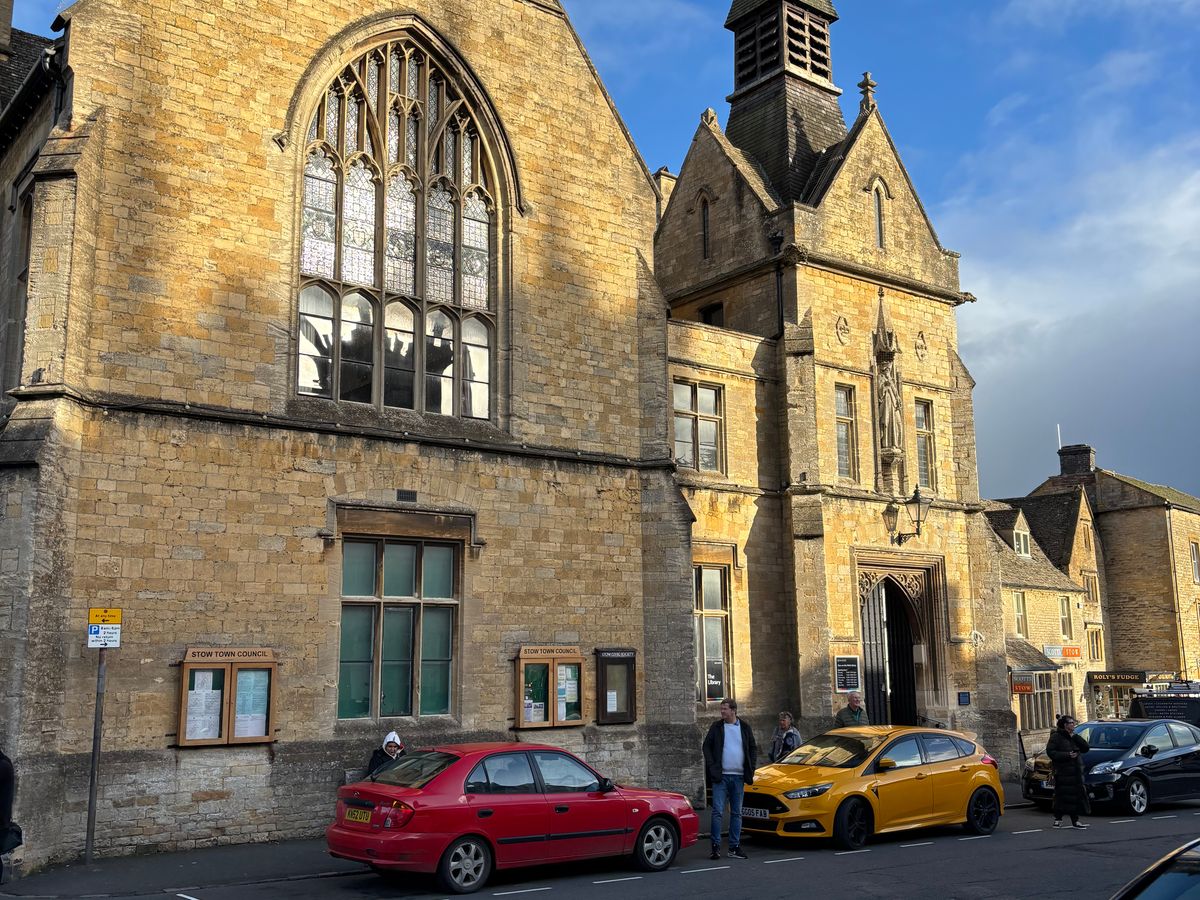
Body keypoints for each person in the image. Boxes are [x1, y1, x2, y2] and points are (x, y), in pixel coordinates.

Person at [702, 698, 758, 861]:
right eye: (721, 709)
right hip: (721, 777)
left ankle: (734, 847)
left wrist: (751, 768)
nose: (722, 711)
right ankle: (715, 847)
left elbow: (752, 748)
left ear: (733, 710)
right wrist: (712, 766)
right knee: (717, 812)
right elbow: (706, 746)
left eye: (724, 709)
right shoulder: (716, 727)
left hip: (739, 777)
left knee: (737, 813)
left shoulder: (744, 727)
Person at [1046, 714, 1090, 829]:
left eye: (1073, 722)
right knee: (1061, 795)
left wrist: (1075, 737)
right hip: (1062, 771)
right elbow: (1051, 752)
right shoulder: (1056, 737)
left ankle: (1075, 820)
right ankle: (1058, 819)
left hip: (1075, 771)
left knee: (1075, 796)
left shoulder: (1074, 736)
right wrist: (1067, 755)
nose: (1073, 724)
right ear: (1065, 725)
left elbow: (1086, 748)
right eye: (1071, 723)